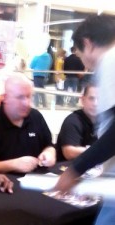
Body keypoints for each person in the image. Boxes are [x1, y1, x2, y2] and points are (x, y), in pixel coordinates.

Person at [54, 15, 115, 225]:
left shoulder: (109, 60)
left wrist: (75, 169)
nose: (84, 63)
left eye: (79, 54)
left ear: (88, 44)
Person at [0, 74, 56, 174]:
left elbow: (49, 145)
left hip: (38, 179)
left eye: (29, 96)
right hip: (2, 184)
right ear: (5, 98)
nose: (27, 103)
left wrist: (49, 153)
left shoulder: (36, 117)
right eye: (20, 97)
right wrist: (13, 165)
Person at [56, 83, 97, 161]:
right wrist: (99, 150)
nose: (96, 103)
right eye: (91, 98)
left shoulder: (105, 121)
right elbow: (69, 152)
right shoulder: (72, 121)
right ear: (82, 100)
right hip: (68, 169)